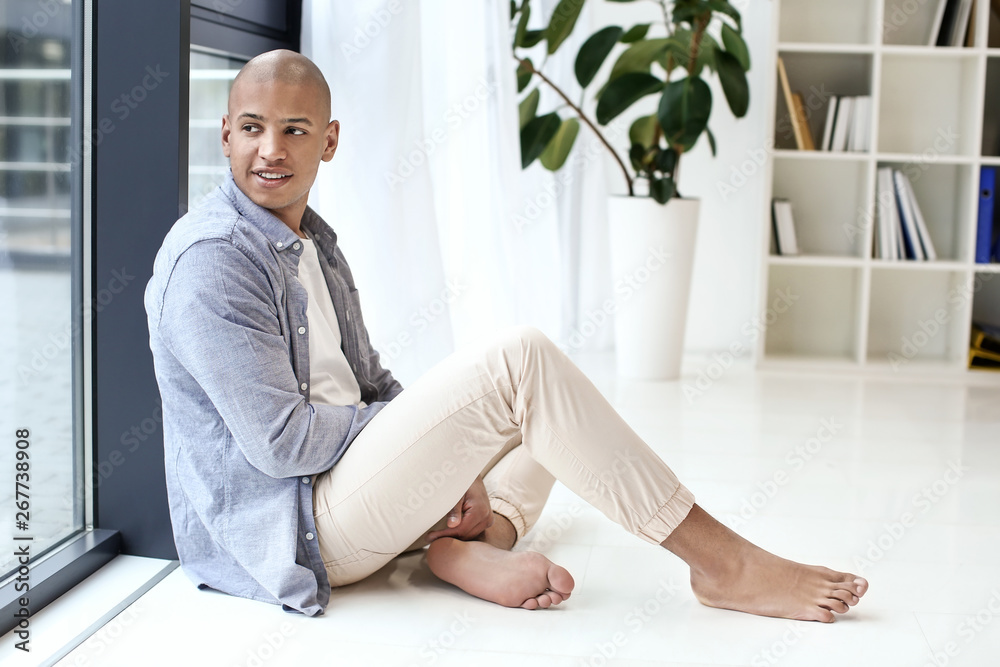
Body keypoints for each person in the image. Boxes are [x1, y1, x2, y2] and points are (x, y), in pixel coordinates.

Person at [145, 50, 868, 622]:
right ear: (226, 132)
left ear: (328, 141)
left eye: (294, 130)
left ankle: (467, 547)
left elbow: (373, 384)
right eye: (251, 127)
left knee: (548, 423)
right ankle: (721, 562)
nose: (269, 149)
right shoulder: (211, 261)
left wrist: (453, 470)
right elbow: (281, 443)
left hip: (352, 487)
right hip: (302, 527)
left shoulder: (312, 241)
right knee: (523, 367)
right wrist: (448, 467)